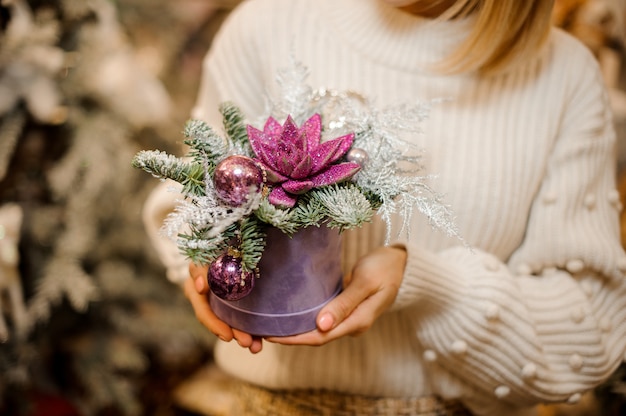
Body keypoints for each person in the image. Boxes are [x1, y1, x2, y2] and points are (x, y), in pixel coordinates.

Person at [144, 0, 626, 414]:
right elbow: (193, 195)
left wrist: (432, 286)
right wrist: (206, 251)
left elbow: (593, 332)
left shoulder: (563, 76)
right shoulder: (270, 22)